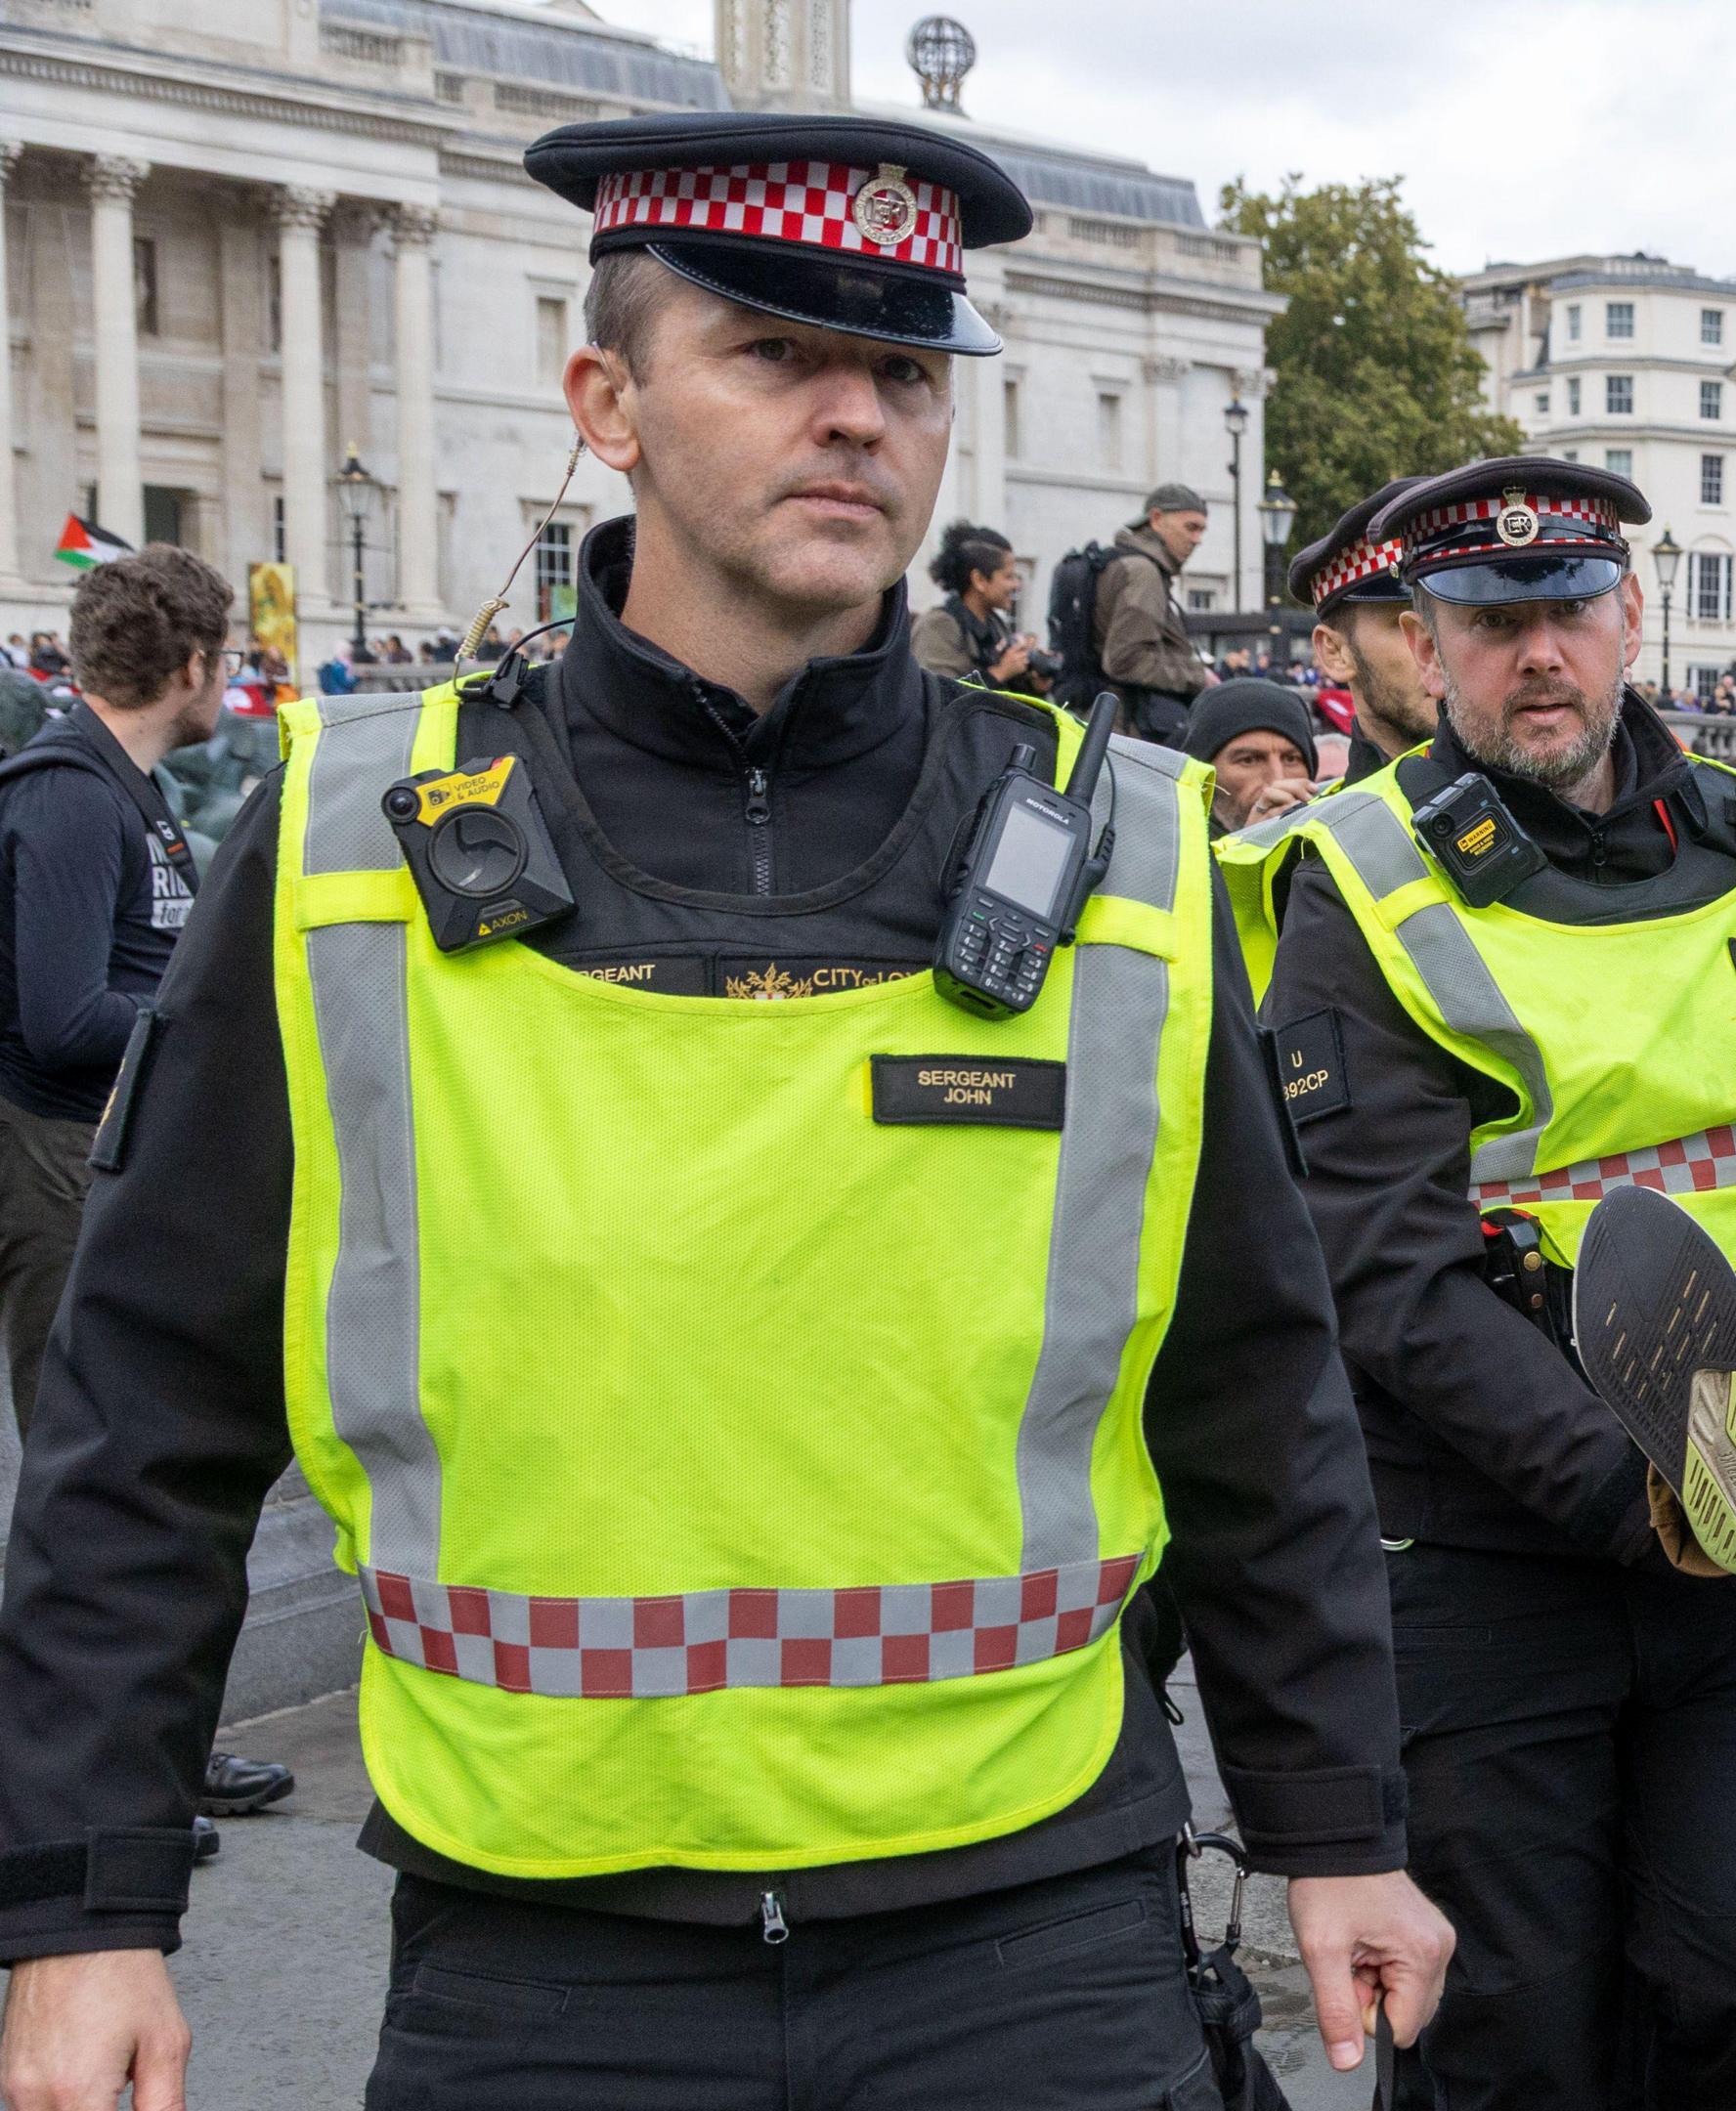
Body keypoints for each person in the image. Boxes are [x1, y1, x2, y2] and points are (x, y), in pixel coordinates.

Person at [0, 111, 1451, 2110]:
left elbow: (1253, 1386)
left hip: (1031, 1932)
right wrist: (87, 1915)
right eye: (777, 355)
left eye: (907, 370)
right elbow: (146, 1410)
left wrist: (1335, 1821)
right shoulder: (345, 837)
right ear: (606, 400)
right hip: (540, 1951)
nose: (857, 416)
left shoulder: (1117, 849)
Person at [1237, 456, 1736, 2110]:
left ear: (1631, 618)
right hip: (1488, 1551)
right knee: (1509, 2039)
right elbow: (1392, 1274)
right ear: (1429, 650)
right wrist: (1645, 1495)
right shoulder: (1356, 885)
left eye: (1567, 612)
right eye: (1490, 625)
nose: (1537, 657)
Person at [0, 548, 222, 1432]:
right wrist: (205, 1012)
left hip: (95, 1143)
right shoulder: (73, 797)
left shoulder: (119, 784)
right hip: (55, 1149)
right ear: (194, 666)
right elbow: (63, 1019)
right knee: (73, 1428)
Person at [1285, 476, 1435, 782]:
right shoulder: (1319, 829)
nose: (1444, 648)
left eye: (1477, 620)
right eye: (1407, 625)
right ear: (1335, 652)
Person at [1095, 481, 1215, 742]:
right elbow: (1126, 660)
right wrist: (1198, 676)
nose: (1197, 540)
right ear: (1157, 519)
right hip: (1126, 730)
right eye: (1190, 528)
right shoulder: (1143, 572)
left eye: (1201, 530)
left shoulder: (1125, 562)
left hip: (1110, 721)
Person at [911, 518, 1037, 689]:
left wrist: (1034, 681)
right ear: (979, 580)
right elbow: (940, 697)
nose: (1017, 584)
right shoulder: (937, 625)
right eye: (1009, 577)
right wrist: (1000, 673)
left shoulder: (994, 624)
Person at [1187, 674, 1323, 833]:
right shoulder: (1170, 849)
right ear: (1205, 774)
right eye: (1249, 760)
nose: (1277, 779)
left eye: (1291, 759)